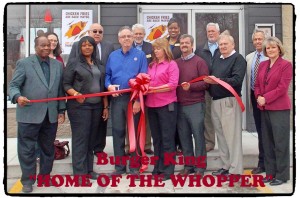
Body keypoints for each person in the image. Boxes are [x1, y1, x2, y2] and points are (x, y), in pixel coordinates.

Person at [9, 36, 66, 193]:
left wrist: (61, 111)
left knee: (48, 148)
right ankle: (27, 180)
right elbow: (13, 86)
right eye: (43, 45)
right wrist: (17, 97)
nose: (46, 48)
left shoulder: (57, 65)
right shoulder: (24, 63)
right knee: (27, 149)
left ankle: (44, 177)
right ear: (35, 47)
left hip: (50, 115)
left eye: (49, 45)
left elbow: (60, 91)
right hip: (29, 114)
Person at [63, 36, 109, 180]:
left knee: (91, 139)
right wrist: (75, 93)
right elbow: (66, 85)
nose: (87, 47)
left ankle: (89, 170)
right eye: (84, 45)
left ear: (94, 48)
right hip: (79, 107)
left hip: (97, 106)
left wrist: (105, 106)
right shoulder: (73, 63)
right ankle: (79, 173)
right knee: (81, 139)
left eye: (90, 45)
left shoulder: (99, 63)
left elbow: (103, 87)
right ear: (79, 47)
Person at [105, 26, 148, 175]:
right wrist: (108, 86)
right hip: (117, 100)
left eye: (129, 36)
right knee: (117, 132)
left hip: (133, 99)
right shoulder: (113, 56)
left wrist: (137, 100)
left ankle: (135, 167)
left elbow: (144, 78)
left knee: (134, 132)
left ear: (133, 38)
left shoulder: (140, 55)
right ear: (119, 39)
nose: (126, 39)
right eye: (123, 37)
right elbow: (107, 76)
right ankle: (120, 167)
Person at [204, 32, 246, 177]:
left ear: (233, 45)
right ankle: (226, 165)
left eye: (225, 44)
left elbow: (236, 80)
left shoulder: (238, 59)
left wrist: (217, 80)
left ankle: (235, 170)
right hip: (215, 101)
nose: (222, 46)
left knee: (232, 137)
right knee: (221, 136)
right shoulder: (218, 58)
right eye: (220, 44)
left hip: (229, 101)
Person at [69, 23, 114, 156]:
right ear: (88, 32)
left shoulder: (109, 46)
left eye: (100, 31)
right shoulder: (77, 46)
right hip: (82, 98)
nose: (97, 33)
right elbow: (71, 70)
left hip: (102, 90)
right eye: (94, 31)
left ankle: (99, 148)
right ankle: (82, 162)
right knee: (84, 132)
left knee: (101, 123)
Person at [254, 37, 292, 186]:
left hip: (279, 109)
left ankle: (282, 175)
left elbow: (282, 88)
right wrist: (258, 97)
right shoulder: (263, 65)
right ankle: (270, 173)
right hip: (264, 108)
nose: (270, 50)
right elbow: (256, 84)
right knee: (267, 142)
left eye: (273, 47)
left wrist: (266, 98)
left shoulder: (286, 65)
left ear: (279, 49)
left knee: (280, 143)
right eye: (268, 48)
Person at [145, 38, 179, 180]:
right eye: (154, 49)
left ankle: (168, 170)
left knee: (167, 139)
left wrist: (153, 89)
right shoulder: (152, 65)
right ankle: (157, 167)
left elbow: (172, 84)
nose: (156, 51)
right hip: (152, 106)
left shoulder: (172, 65)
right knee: (157, 139)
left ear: (165, 49)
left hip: (167, 105)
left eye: (158, 48)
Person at [176, 34, 209, 176]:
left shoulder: (199, 62)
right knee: (184, 137)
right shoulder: (176, 63)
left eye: (187, 43)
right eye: (182, 43)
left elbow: (206, 82)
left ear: (192, 45)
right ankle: (188, 166)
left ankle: (200, 167)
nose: (184, 45)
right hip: (180, 105)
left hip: (196, 104)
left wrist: (191, 86)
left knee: (198, 136)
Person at [195, 22, 221, 152]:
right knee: (207, 117)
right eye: (208, 31)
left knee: (221, 117)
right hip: (205, 88)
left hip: (221, 88)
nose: (210, 33)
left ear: (218, 33)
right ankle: (210, 142)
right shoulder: (200, 49)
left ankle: (224, 143)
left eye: (213, 31)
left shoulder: (223, 47)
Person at [246, 29, 268, 174]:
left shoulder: (270, 56)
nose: (258, 42)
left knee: (269, 131)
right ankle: (262, 162)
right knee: (260, 130)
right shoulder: (249, 57)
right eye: (256, 39)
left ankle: (270, 161)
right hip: (255, 97)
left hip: (268, 98)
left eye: (260, 39)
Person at [131, 23, 154, 155]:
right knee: (131, 117)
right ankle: (130, 146)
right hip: (132, 86)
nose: (138, 36)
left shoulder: (150, 47)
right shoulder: (129, 46)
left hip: (147, 86)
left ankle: (146, 145)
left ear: (144, 35)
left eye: (141, 33)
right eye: (136, 34)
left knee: (146, 117)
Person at [166, 17, 182, 155]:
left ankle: (180, 145)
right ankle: (171, 145)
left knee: (179, 117)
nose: (173, 30)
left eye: (175, 28)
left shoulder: (182, 42)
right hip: (166, 84)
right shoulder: (164, 43)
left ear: (179, 29)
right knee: (169, 118)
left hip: (179, 82)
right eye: (171, 28)